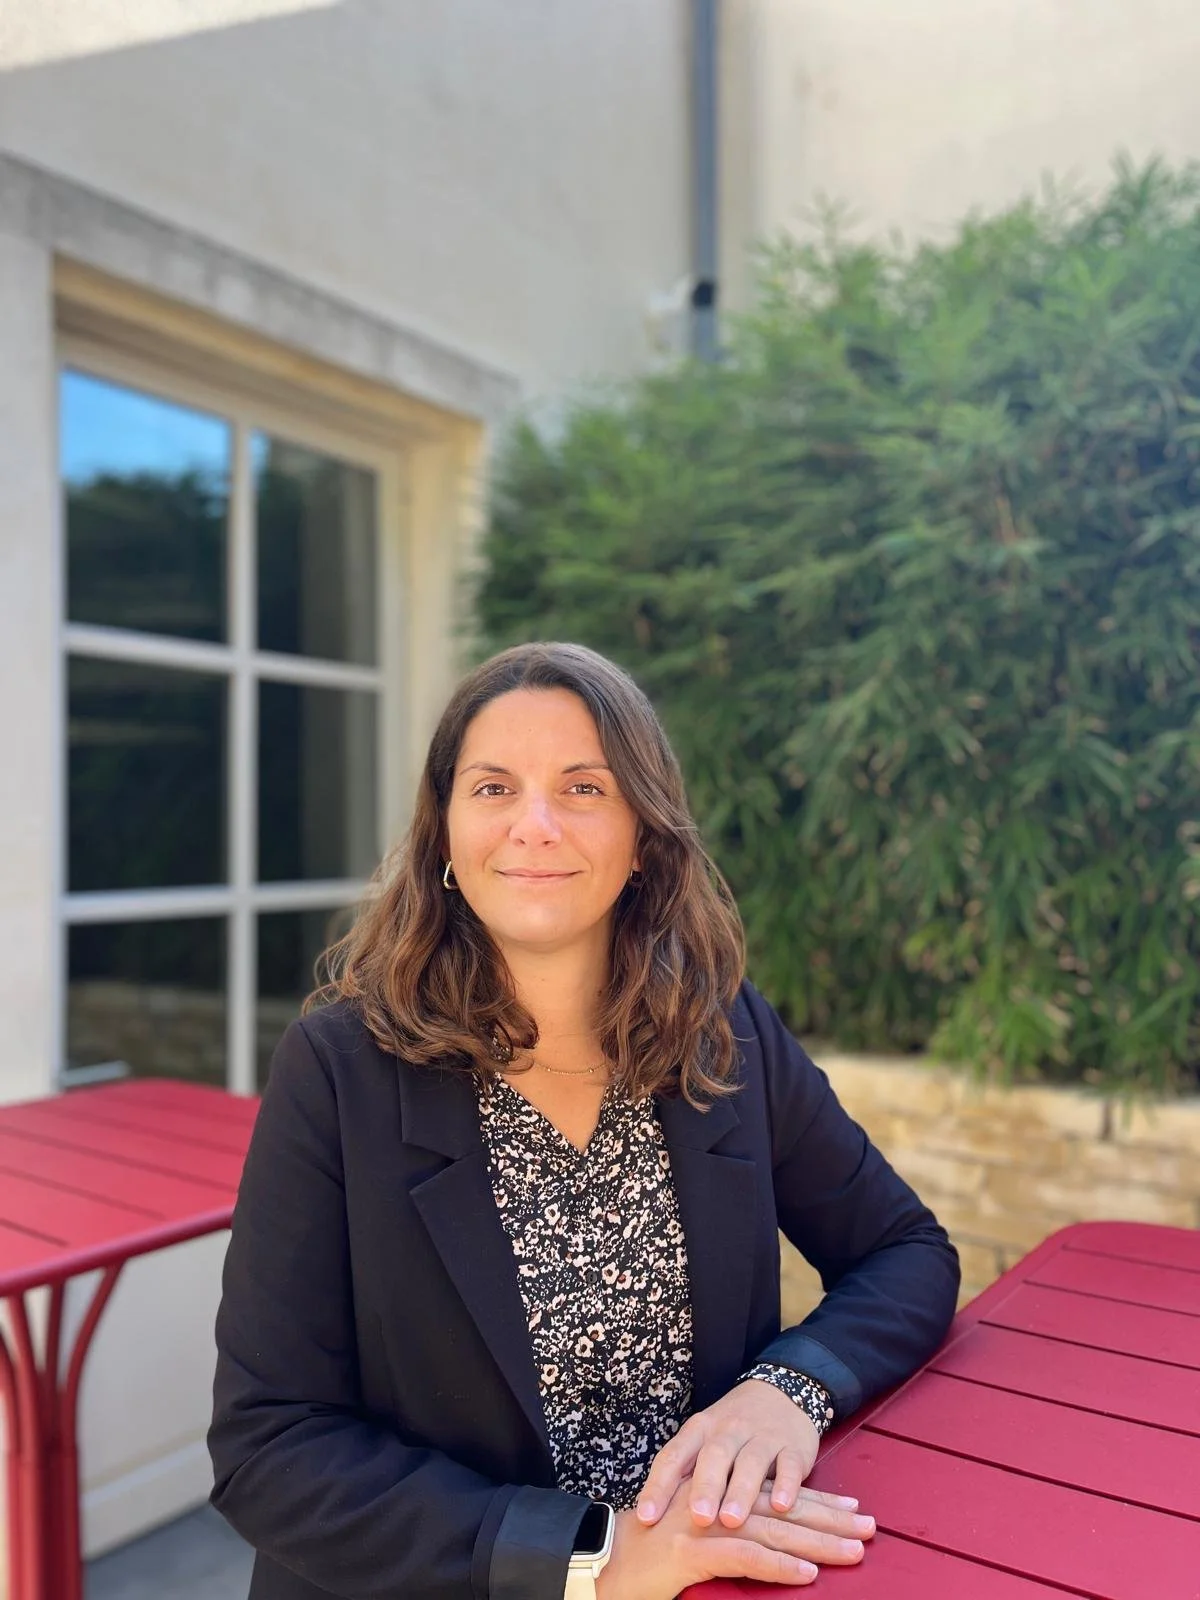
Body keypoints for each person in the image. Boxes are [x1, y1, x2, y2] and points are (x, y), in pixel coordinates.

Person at [209, 641, 960, 1600]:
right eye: (491, 788)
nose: (534, 825)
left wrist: (789, 1391)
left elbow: (904, 1248)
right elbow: (270, 1447)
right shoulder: (338, 1069)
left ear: (643, 836)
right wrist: (586, 1561)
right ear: (443, 833)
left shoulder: (723, 1033)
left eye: (584, 789)